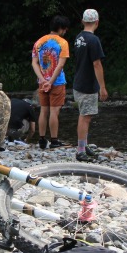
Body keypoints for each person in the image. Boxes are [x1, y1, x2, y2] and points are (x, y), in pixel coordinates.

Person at [73, 9, 107, 162]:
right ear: (97, 22)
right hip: (87, 84)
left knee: (84, 115)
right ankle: (80, 150)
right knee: (85, 117)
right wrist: (102, 87)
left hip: (78, 82)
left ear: (82, 21)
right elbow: (97, 64)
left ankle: (84, 145)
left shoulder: (79, 38)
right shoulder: (94, 40)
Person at [31, 15, 70, 149]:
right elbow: (60, 65)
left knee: (43, 111)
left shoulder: (39, 42)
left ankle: (42, 140)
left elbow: (34, 63)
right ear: (61, 29)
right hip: (57, 82)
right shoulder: (63, 43)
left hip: (42, 83)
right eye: (65, 29)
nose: (65, 32)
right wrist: (51, 81)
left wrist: (42, 79)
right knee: (54, 112)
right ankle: (54, 140)